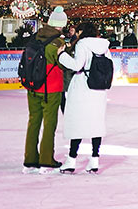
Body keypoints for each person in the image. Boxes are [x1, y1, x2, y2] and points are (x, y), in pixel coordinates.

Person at [58, 22, 112, 174]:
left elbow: (77, 65)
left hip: (83, 87)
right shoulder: (104, 46)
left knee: (78, 124)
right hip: (99, 89)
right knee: (96, 124)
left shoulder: (82, 44)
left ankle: (71, 160)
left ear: (82, 31)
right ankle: (94, 159)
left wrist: (61, 56)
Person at [22, 6, 68, 174]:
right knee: (50, 124)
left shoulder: (35, 38)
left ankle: (30, 159)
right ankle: (46, 160)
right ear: (61, 25)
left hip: (33, 86)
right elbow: (63, 64)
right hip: (51, 89)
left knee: (33, 121)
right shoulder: (57, 43)